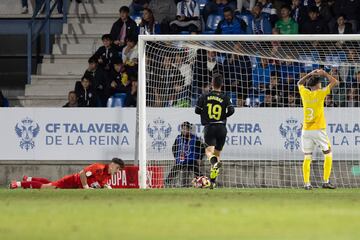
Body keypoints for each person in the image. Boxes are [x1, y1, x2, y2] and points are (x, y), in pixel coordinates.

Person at [297, 69, 339, 190]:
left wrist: (310, 74)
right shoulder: (320, 93)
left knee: (307, 156)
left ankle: (307, 184)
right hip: (318, 129)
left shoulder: (305, 93)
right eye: (320, 83)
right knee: (328, 153)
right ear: (318, 84)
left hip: (306, 130)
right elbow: (335, 81)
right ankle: (325, 181)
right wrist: (324, 74)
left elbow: (299, 83)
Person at [195, 74, 235, 189]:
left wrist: (205, 114)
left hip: (210, 127)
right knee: (217, 154)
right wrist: (223, 116)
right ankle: (212, 181)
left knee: (209, 152)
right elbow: (232, 110)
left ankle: (213, 163)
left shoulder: (204, 96)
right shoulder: (225, 97)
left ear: (212, 83)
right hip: (222, 127)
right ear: (221, 84)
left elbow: (197, 110)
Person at [9, 158, 125, 189]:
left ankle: (29, 179)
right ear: (113, 165)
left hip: (75, 186)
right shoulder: (99, 167)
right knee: (48, 187)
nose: (118, 171)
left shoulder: (107, 176)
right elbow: (82, 173)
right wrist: (85, 186)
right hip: (73, 180)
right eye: (118, 168)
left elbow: (98, 184)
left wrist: (105, 187)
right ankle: (18, 184)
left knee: (52, 184)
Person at [166, 122, 206, 187]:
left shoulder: (195, 138)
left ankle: (204, 182)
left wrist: (199, 158)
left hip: (191, 160)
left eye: (186, 129)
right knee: (174, 171)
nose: (184, 130)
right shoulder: (178, 138)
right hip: (181, 160)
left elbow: (202, 149)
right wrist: (176, 157)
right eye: (182, 129)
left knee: (197, 171)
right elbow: (174, 148)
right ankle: (166, 183)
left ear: (189, 129)